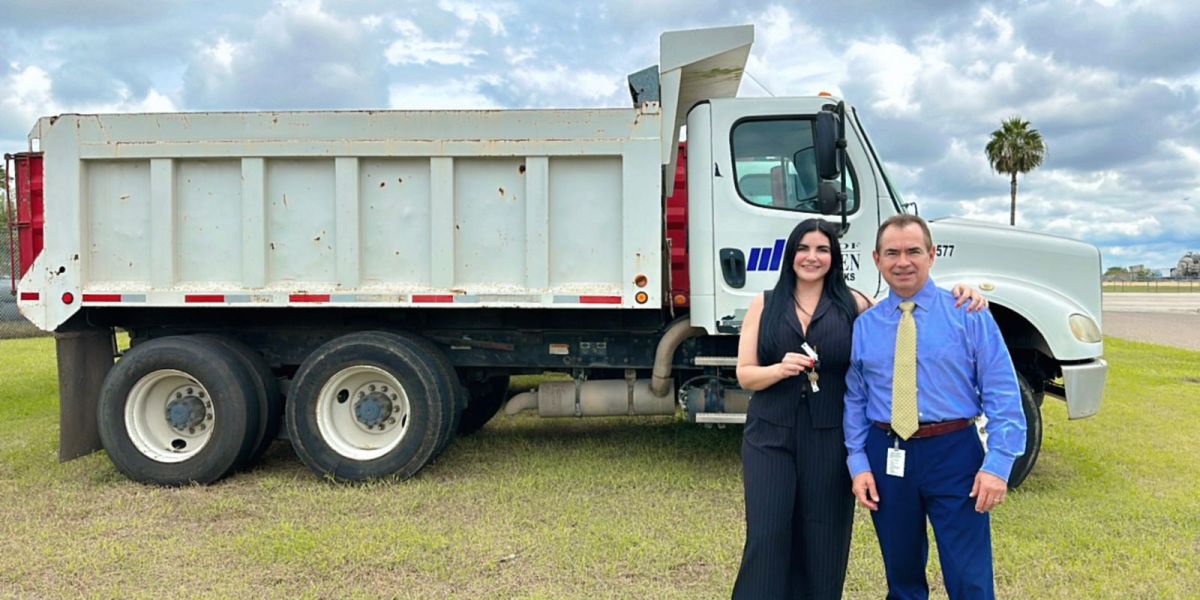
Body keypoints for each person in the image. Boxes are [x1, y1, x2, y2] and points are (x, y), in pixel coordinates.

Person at [732, 218, 988, 599]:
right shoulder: (765, 304)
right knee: (768, 533)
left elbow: (903, 304)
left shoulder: (856, 305)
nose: (812, 257)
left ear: (835, 258)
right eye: (803, 248)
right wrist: (777, 370)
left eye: (822, 249)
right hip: (771, 432)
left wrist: (964, 291)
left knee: (824, 535)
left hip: (828, 435)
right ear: (790, 255)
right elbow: (744, 374)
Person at [843, 214, 1027, 600]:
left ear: (931, 256)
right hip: (888, 454)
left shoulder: (968, 312)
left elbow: (1002, 391)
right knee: (902, 574)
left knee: (969, 575)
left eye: (913, 251)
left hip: (954, 452)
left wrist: (998, 464)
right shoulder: (866, 325)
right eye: (892, 252)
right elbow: (856, 399)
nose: (902, 261)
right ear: (877, 259)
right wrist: (858, 463)